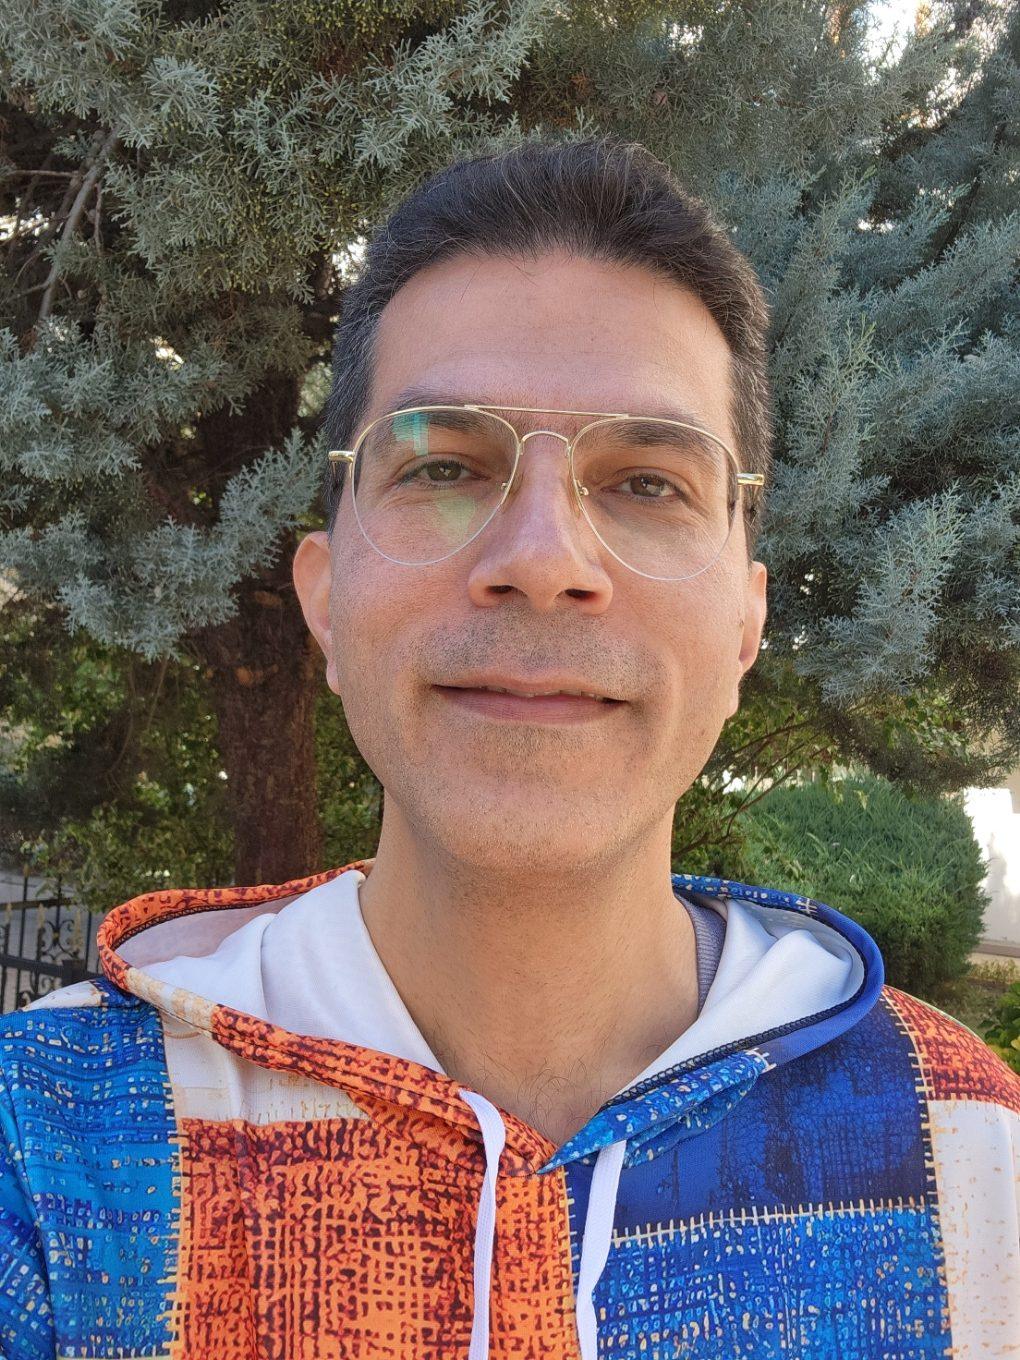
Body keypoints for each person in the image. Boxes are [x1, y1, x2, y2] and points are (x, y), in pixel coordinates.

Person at [1, 136, 1017, 1360]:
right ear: (324, 600)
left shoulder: (975, 1155)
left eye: (648, 482)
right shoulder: (41, 1143)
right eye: (445, 464)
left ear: (747, 622)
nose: (542, 559)